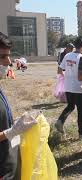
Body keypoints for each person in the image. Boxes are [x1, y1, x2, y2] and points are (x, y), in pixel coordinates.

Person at [0, 32, 37, 179]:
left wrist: (14, 124)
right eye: (2, 56)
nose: (9, 61)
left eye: (8, 56)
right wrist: (11, 132)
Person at [55, 38, 82, 138]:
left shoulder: (68, 55)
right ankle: (81, 133)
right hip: (78, 87)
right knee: (81, 111)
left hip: (68, 87)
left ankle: (60, 121)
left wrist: (67, 77)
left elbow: (59, 70)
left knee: (70, 106)